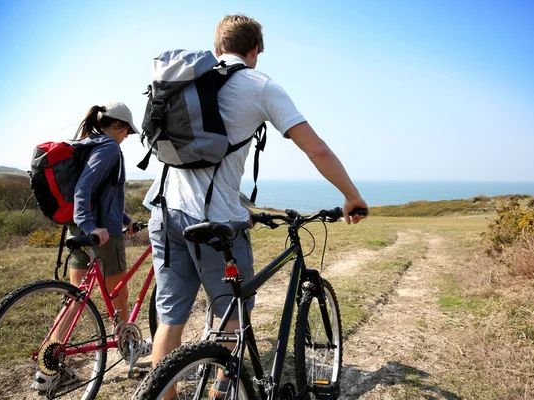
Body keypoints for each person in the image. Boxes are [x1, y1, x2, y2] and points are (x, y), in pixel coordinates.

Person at [145, 14, 368, 399]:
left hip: (164, 212)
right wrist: (352, 195)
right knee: (232, 316)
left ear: (217, 49)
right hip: (213, 222)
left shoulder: (186, 81)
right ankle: (221, 393)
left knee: (170, 321)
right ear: (254, 52)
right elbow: (316, 148)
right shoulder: (258, 84)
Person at [32, 102, 152, 393]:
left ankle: (48, 371)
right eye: (127, 133)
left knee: (75, 301)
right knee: (119, 292)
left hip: (81, 232)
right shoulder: (110, 148)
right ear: (120, 126)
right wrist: (91, 226)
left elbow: (104, 193)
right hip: (100, 236)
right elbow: (83, 190)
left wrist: (126, 220)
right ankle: (130, 345)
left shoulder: (89, 144)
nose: (126, 138)